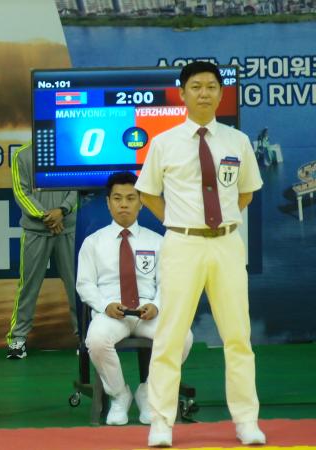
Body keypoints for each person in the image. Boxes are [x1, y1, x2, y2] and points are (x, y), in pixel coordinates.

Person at [135, 61, 265, 447]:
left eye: (211, 86)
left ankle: (246, 421)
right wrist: (180, 221)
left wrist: (218, 223)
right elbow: (147, 194)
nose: (204, 93)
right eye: (196, 87)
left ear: (221, 94)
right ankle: (161, 421)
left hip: (226, 243)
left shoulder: (236, 141)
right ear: (183, 93)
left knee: (238, 336)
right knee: (170, 336)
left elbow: (246, 192)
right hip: (182, 244)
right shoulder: (164, 142)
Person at [76, 172, 193, 426]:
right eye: (117, 198)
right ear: (108, 202)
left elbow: (168, 283)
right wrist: (105, 306)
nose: (124, 204)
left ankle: (149, 391)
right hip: (112, 312)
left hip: (147, 311)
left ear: (141, 202)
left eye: (131, 198)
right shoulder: (92, 243)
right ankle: (120, 395)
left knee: (183, 337)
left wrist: (157, 305)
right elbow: (84, 285)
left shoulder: (158, 242)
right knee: (95, 340)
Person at [5, 143, 78, 359]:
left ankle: (85, 338)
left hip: (68, 228)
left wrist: (62, 210)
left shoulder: (71, 149)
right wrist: (47, 216)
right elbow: (21, 191)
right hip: (36, 230)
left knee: (78, 286)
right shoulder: (22, 154)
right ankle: (17, 339)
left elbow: (78, 186)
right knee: (28, 285)